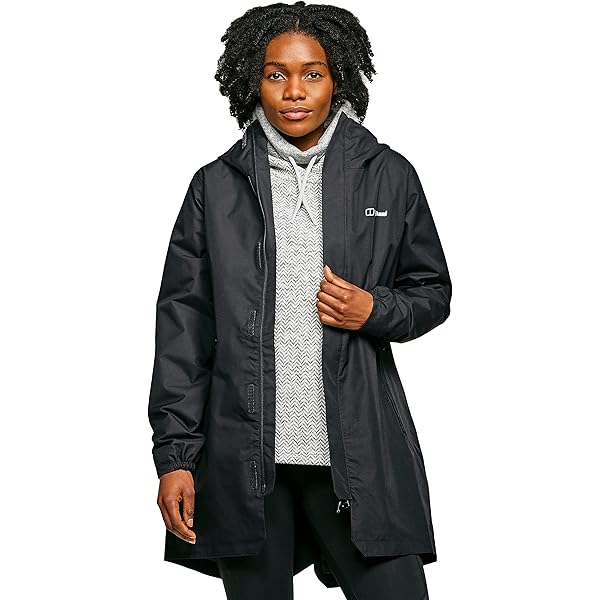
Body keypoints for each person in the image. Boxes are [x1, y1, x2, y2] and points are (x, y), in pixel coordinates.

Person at [147, 2, 452, 599]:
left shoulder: (387, 174)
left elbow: (431, 290)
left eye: (312, 73)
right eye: (275, 74)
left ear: (338, 78)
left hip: (358, 451)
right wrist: (175, 457)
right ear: (252, 82)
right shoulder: (215, 185)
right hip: (245, 461)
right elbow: (183, 328)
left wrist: (375, 311)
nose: (294, 91)